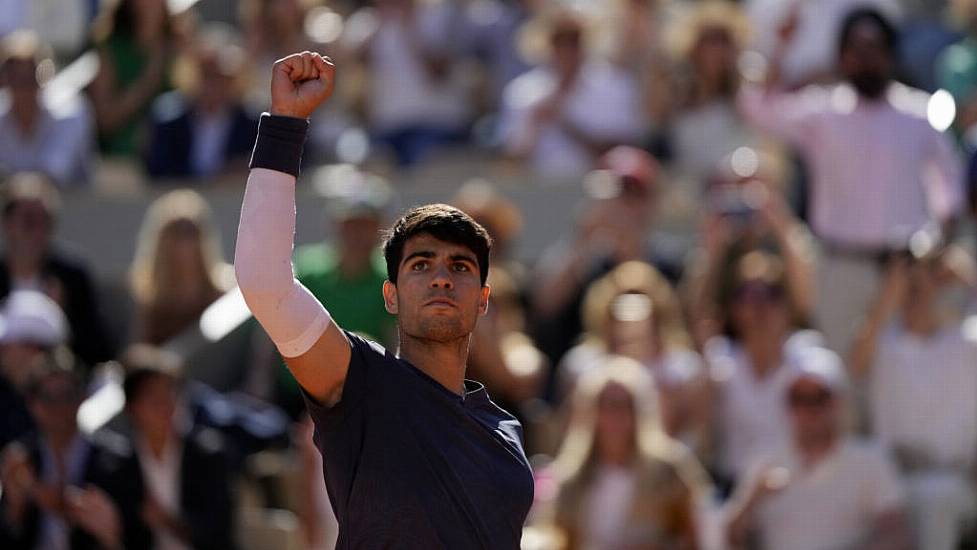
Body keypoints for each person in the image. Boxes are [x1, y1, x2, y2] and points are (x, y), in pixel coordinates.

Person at [234, 51, 534, 547]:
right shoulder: (359, 385)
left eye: (459, 267)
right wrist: (285, 125)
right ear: (390, 296)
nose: (441, 278)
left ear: (483, 300)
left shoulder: (506, 434)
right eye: (421, 265)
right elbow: (264, 281)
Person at [739, 7, 964, 353]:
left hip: (903, 273)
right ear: (842, 57)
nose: (866, 58)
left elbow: (948, 184)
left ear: (890, 53)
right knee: (840, 381)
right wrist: (779, 49)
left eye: (874, 48)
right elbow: (758, 108)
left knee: (895, 381)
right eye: (856, 49)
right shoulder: (823, 112)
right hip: (838, 268)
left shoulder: (920, 114)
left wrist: (935, 243)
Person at [850, 249, 977, 550]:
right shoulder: (883, 342)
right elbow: (856, 362)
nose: (915, 294)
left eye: (924, 284)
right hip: (887, 477)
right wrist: (891, 289)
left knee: (934, 499)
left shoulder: (966, 342)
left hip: (951, 477)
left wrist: (970, 280)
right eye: (909, 287)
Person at [724, 346, 912, 550]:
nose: (808, 410)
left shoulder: (870, 459)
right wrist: (752, 501)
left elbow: (897, 536)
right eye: (798, 399)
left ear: (838, 402)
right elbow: (730, 539)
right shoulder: (764, 460)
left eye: (818, 398)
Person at [536, 355, 710, 549]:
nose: (615, 415)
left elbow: (693, 538)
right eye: (606, 405)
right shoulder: (572, 481)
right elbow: (559, 540)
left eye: (625, 405)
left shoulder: (669, 471)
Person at [560, 261, 711, 456]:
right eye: (622, 304)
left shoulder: (684, 368)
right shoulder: (581, 365)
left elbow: (696, 434)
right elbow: (572, 431)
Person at [0, 354, 149, 550]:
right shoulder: (21, 460)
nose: (58, 407)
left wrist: (110, 533)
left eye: (66, 396)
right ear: (32, 404)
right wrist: (14, 510)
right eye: (48, 398)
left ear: (82, 396)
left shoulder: (117, 460)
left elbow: (139, 536)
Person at [499, 8, 645, 177]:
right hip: (538, 192)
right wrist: (534, 124)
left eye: (574, 41)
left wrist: (566, 124)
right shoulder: (522, 92)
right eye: (559, 41)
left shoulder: (614, 86)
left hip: (597, 189)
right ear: (548, 44)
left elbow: (623, 153)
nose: (567, 50)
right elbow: (510, 163)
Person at [121, 346, 237, 550]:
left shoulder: (207, 454)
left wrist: (168, 522)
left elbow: (219, 533)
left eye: (170, 393)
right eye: (153, 398)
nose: (166, 406)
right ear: (132, 407)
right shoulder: (119, 465)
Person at [0, 173, 114, 367]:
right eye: (28, 221)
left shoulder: (72, 277)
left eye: (45, 221)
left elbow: (99, 352)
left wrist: (61, 317)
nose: (37, 231)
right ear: (6, 224)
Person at [144, 26, 258, 180]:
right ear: (193, 74)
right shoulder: (167, 120)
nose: (213, 83)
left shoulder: (253, 123)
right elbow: (157, 170)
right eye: (207, 74)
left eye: (220, 76)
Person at [129, 189, 234, 346]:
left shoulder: (225, 292)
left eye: (193, 232)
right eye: (178, 233)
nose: (187, 244)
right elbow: (141, 347)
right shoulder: (149, 297)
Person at [0, 31, 95, 187]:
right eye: (14, 77)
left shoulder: (70, 114)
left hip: (74, 208)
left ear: (46, 77)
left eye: (31, 77)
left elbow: (53, 175)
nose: (23, 89)